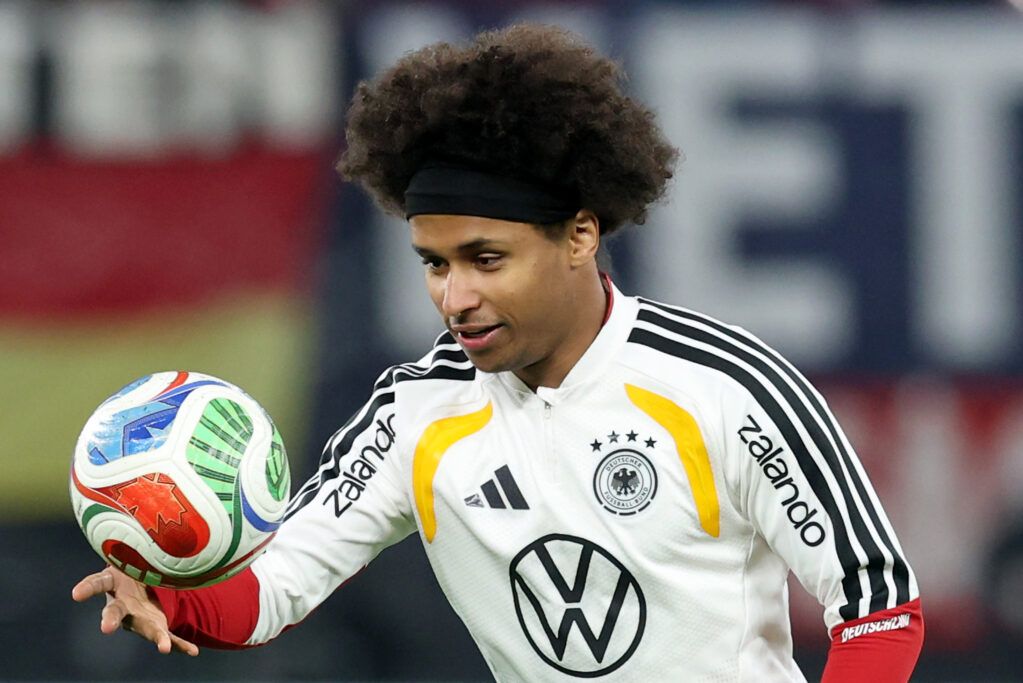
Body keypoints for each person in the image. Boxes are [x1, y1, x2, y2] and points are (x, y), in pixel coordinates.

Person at [72, 24, 923, 681]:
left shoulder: (727, 386)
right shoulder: (416, 413)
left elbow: (879, 606)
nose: (455, 297)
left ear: (580, 235)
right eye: (434, 264)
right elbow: (273, 585)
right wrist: (173, 597)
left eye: (486, 259)